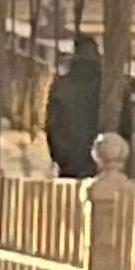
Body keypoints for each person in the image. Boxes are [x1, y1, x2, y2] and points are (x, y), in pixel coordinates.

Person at [48, 32, 105, 178]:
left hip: (68, 158)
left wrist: (59, 155)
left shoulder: (62, 86)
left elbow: (52, 124)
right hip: (102, 158)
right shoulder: (106, 88)